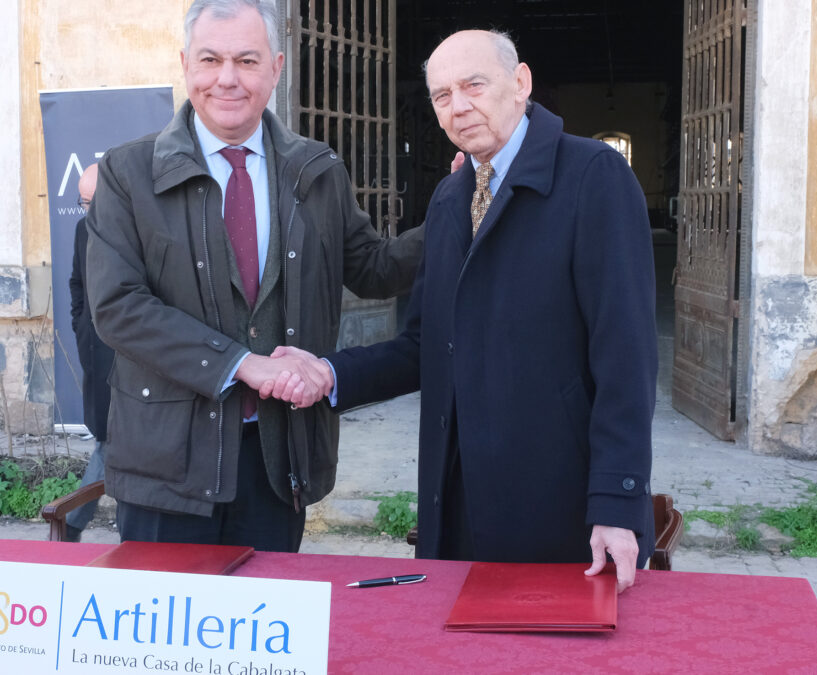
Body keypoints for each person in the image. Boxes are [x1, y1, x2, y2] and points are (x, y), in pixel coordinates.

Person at [273, 29, 657, 592]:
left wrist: (617, 501)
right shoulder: (452, 198)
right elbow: (424, 343)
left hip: (555, 497)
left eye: (474, 85)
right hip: (454, 496)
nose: (459, 106)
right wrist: (330, 374)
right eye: (441, 95)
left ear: (520, 82)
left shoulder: (593, 177)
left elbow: (626, 356)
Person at [84, 0, 422, 552]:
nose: (227, 79)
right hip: (167, 466)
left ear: (277, 67)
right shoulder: (128, 173)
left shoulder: (317, 171)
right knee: (165, 632)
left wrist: (464, 209)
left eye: (246, 60)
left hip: (276, 458)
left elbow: (373, 268)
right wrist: (244, 365)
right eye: (210, 59)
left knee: (263, 627)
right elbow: (119, 307)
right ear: (185, 64)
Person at [65, 163, 112, 542]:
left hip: (137, 359)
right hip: (98, 355)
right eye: (83, 202)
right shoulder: (83, 230)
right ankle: (71, 522)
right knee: (107, 440)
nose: (89, 210)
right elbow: (77, 285)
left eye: (95, 201)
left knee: (113, 443)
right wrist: (82, 328)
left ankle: (71, 522)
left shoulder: (141, 228)